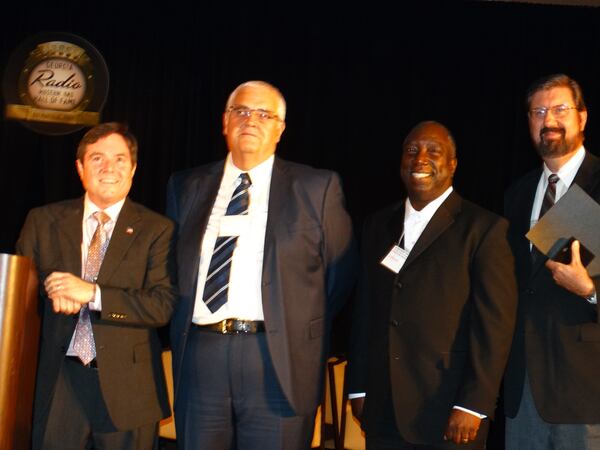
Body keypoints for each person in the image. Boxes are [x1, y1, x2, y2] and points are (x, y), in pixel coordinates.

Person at [166, 80, 357, 450]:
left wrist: (293, 319)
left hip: (278, 362)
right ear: (225, 122)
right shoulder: (185, 185)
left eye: (264, 114)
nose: (250, 120)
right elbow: (171, 267)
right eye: (241, 111)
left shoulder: (316, 187)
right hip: (201, 357)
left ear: (280, 128)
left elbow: (340, 274)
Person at [347, 121, 518, 449]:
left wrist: (474, 404)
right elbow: (365, 311)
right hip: (382, 408)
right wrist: (359, 387)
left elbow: (494, 327)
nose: (420, 158)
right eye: (412, 150)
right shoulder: (377, 225)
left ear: (452, 164)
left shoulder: (484, 229)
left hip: (449, 412)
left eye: (433, 151)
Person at [16, 122, 177, 450]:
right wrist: (53, 289)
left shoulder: (158, 229)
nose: (109, 168)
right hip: (58, 381)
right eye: (97, 158)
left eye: (119, 159)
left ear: (133, 168)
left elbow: (162, 305)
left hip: (129, 389)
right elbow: (17, 301)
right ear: (80, 167)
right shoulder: (42, 220)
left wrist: (92, 294)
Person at [503, 74, 600, 449]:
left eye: (560, 109)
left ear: (583, 117)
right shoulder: (517, 192)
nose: (549, 120)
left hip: (585, 385)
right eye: (538, 111)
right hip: (522, 383)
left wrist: (591, 290)